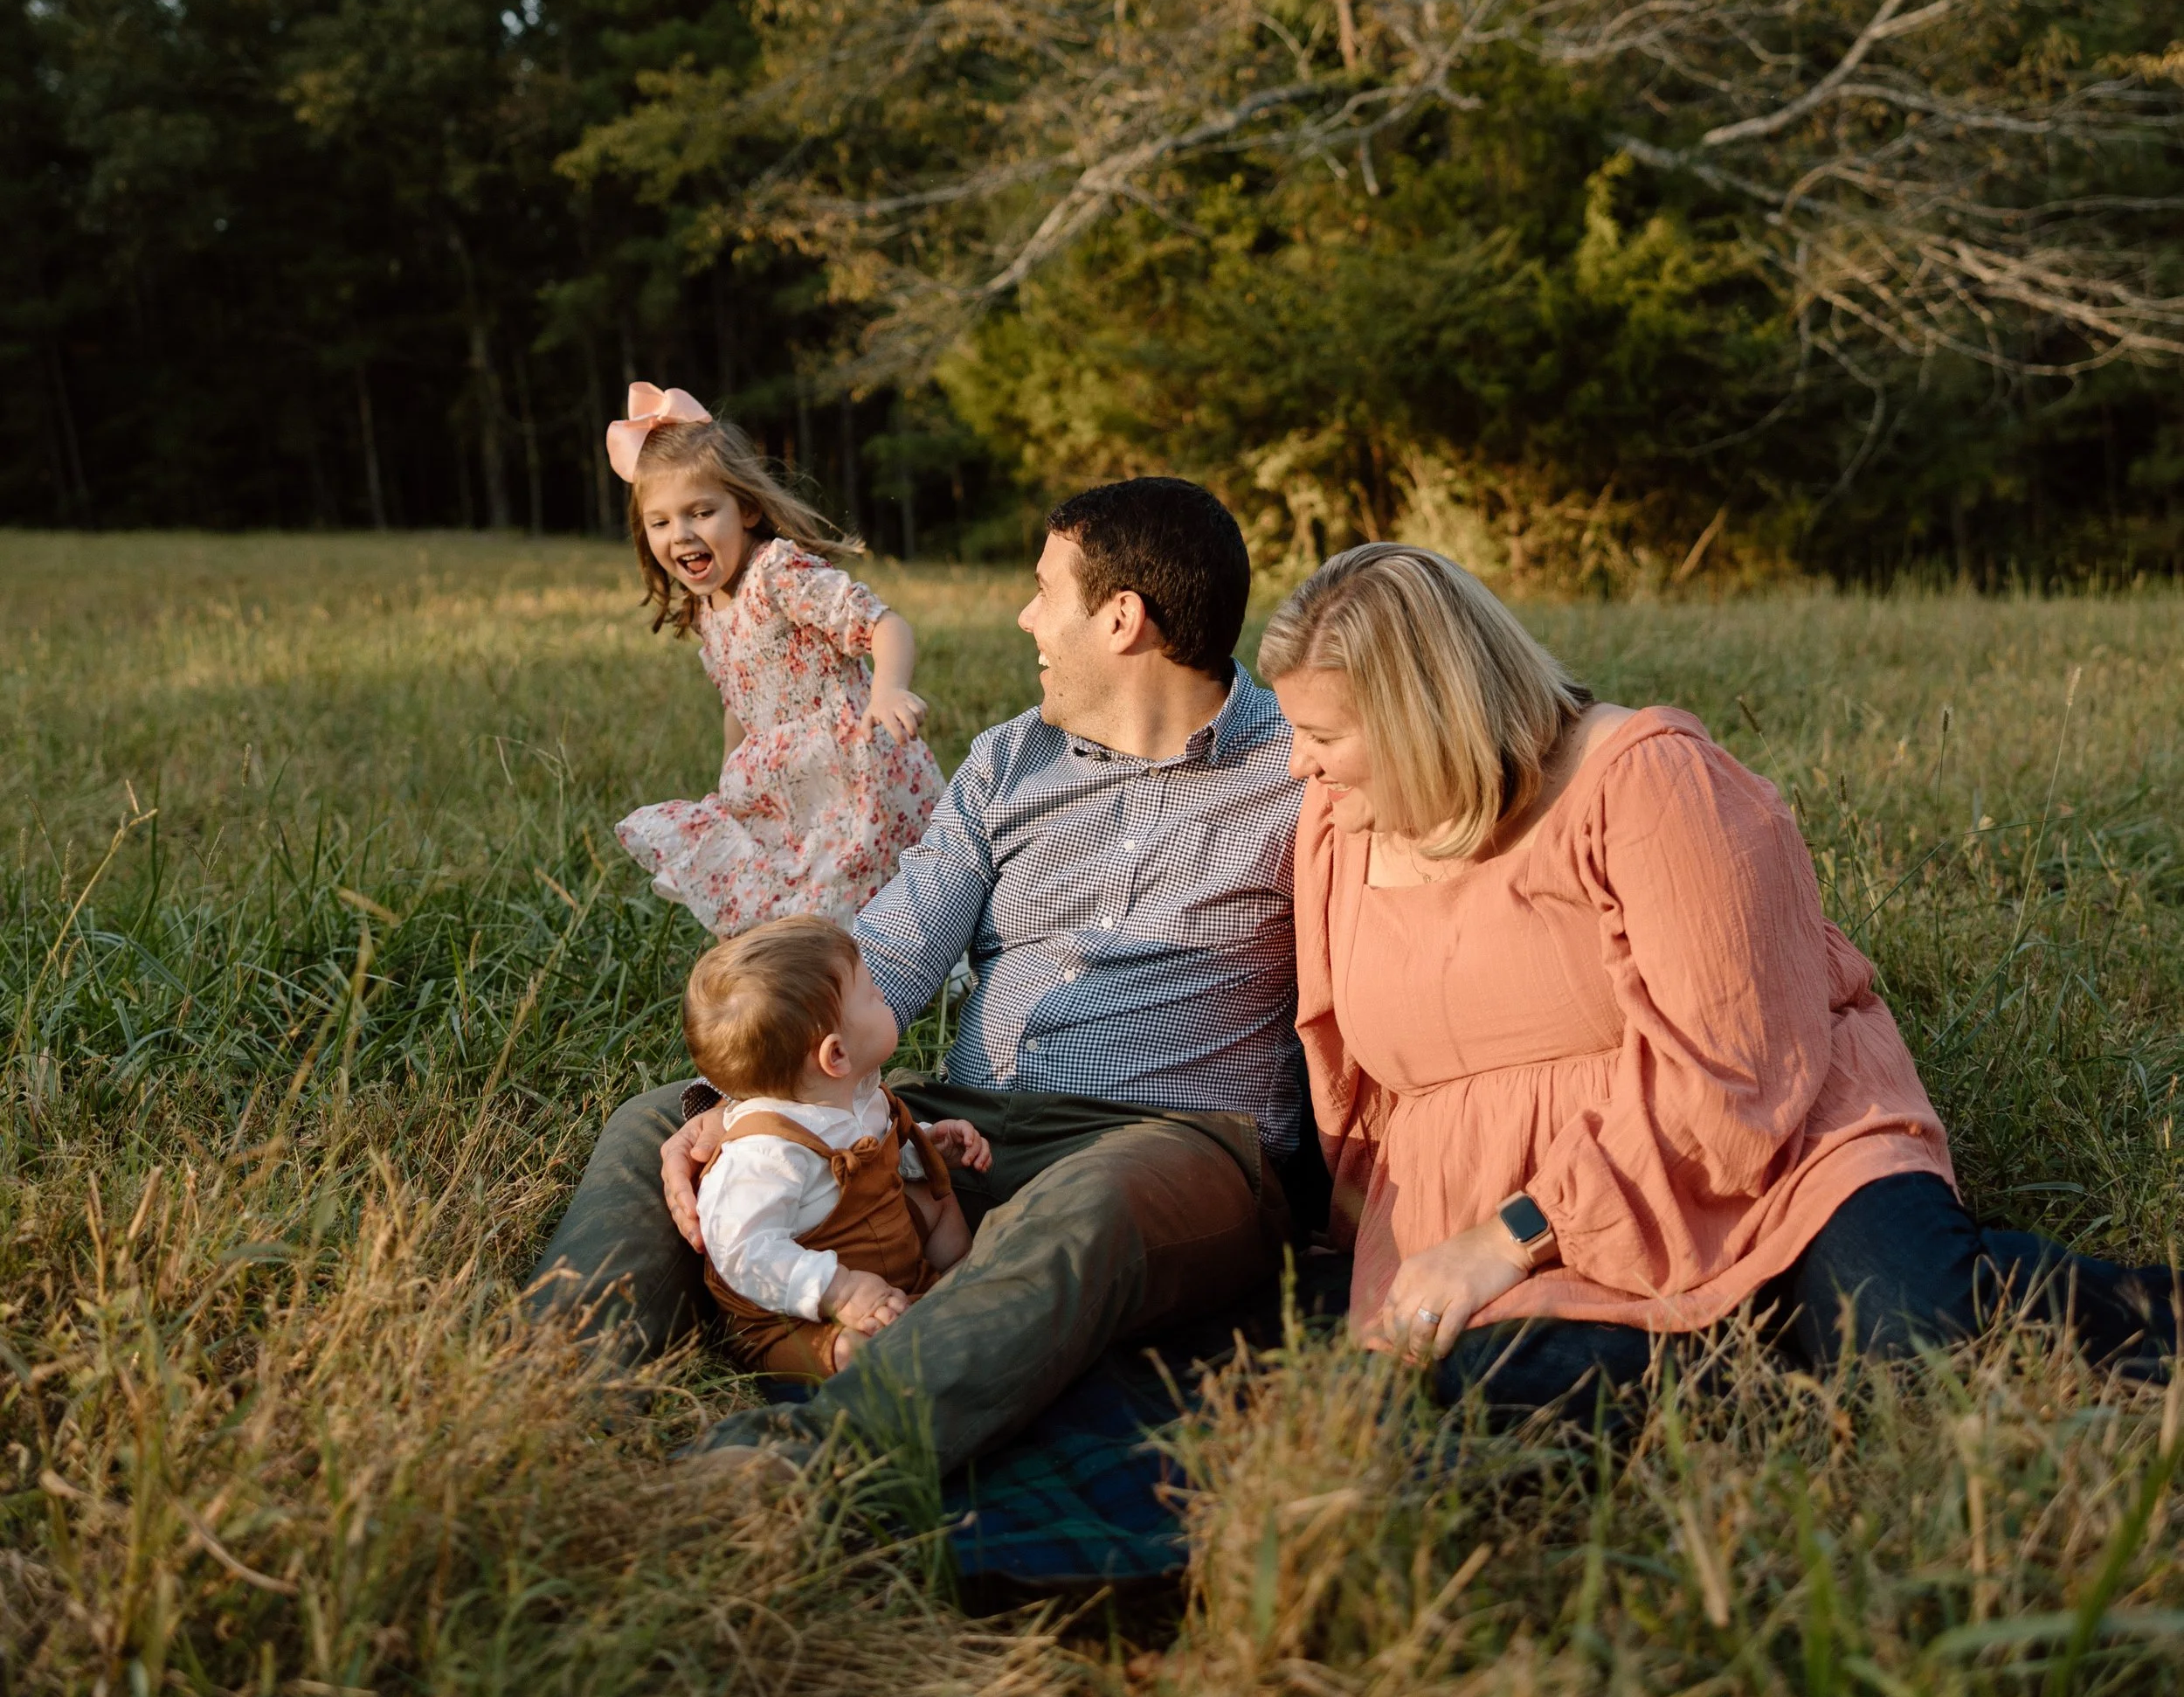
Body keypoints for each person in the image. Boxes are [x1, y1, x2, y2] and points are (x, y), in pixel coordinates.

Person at [1260, 542, 2179, 1408]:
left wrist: (1512, 1235)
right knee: (1511, 1388)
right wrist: (1377, 1235)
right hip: (1492, 1212)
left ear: (1425, 722)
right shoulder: (1337, 825)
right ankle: (1748, 1351)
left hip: (1758, 1149)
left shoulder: (1646, 780)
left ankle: (2124, 1309)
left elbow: (1733, 1070)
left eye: (1320, 733)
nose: (1296, 761)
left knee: (1915, 1344)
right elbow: (1351, 1074)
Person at [527, 475, 1301, 1476]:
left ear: (1120, 619)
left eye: (1042, 589)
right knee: (661, 1121)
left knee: (1096, 1200)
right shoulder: (1006, 764)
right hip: (959, 1140)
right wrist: (754, 1101)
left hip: (1167, 1147)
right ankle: (548, 1391)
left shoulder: (1300, 769)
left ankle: (801, 1463)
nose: (1024, 617)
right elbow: (885, 955)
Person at [606, 383, 941, 936]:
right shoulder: (706, 609)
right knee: (792, 903)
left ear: (748, 509)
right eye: (660, 522)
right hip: (783, 785)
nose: (681, 534)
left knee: (868, 895)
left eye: (701, 512)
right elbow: (738, 701)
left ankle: (917, 964)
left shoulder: (777, 575)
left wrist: (888, 690)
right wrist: (729, 773)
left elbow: (885, 624)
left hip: (853, 770)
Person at [681, 916, 993, 1378]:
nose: (881, 993)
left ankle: (954, 1286)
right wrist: (839, 1292)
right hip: (794, 1313)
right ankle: (858, 1350)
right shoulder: (765, 1154)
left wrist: (923, 1146)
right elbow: (743, 1251)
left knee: (939, 1200)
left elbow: (870, 1151)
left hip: (880, 1251)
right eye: (871, 992)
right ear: (836, 1055)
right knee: (853, 1351)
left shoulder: (858, 1093)